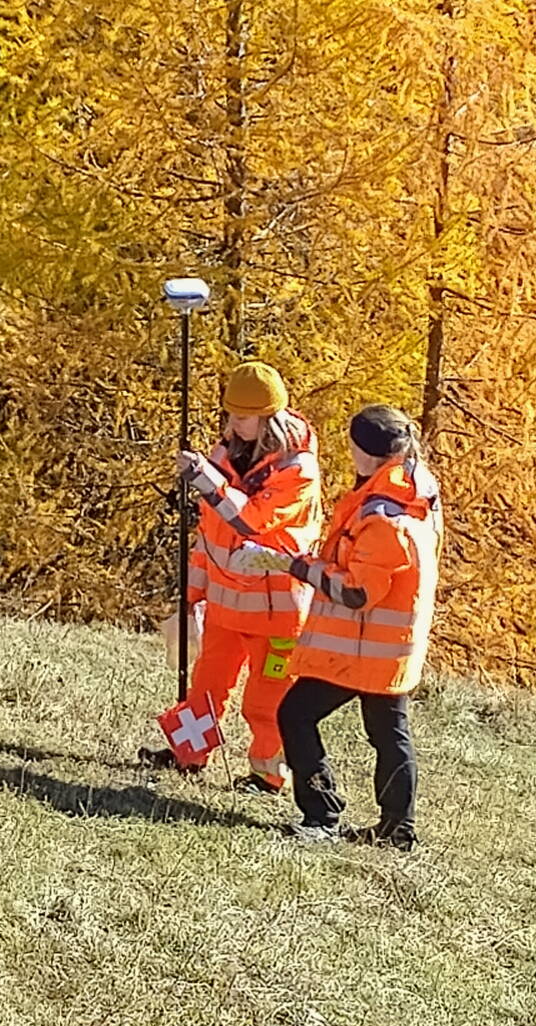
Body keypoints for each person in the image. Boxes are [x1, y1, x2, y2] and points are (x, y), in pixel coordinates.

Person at [272, 404, 442, 849]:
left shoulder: (384, 515)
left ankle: (322, 814)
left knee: (296, 713)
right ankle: (397, 829)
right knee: (389, 734)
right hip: (391, 645)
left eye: (351, 448)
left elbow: (359, 593)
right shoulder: (416, 492)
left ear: (366, 453)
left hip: (364, 647)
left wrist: (298, 567)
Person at [155, 360, 324, 792]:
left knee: (266, 700)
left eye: (243, 417)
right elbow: (209, 537)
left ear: (270, 418)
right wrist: (191, 597)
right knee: (206, 685)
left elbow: (252, 522)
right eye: (229, 415)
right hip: (226, 605)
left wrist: (209, 483)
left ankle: (269, 775)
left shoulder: (297, 470)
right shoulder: (223, 455)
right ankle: (187, 755)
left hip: (278, 611)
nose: (233, 424)